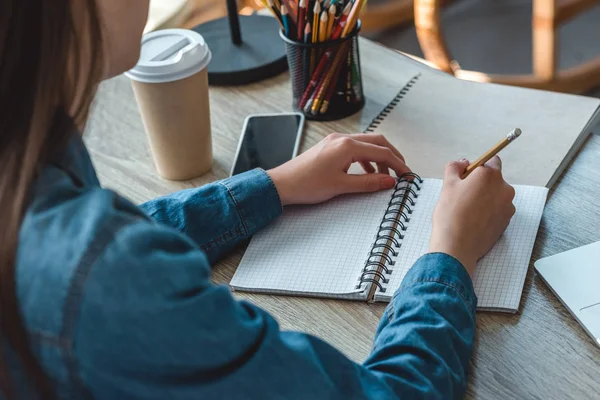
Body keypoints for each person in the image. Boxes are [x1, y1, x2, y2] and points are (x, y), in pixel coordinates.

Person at [0, 0, 516, 398]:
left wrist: (272, 186)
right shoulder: (107, 277)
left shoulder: (30, 154)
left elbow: (89, 253)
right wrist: (450, 254)